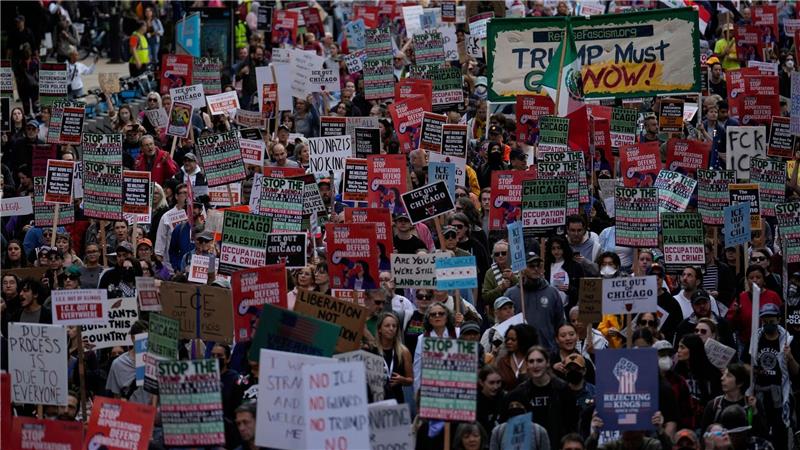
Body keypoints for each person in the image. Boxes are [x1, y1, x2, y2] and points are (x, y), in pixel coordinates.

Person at [509, 346, 578, 447]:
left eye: (539, 360)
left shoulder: (563, 389)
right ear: (527, 365)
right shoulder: (519, 393)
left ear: (547, 363)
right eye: (531, 361)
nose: (535, 365)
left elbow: (571, 424)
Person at [504, 252, 564, 351]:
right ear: (522, 269)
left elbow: (560, 322)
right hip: (521, 352)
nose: (536, 269)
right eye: (531, 266)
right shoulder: (511, 294)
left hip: (547, 351)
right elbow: (505, 323)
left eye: (538, 266)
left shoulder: (552, 293)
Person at [702, 363, 767, 437]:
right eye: (723, 375)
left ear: (740, 383)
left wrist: (754, 411)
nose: (722, 378)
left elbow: (762, 433)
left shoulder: (752, 403)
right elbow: (704, 435)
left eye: (728, 376)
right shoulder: (714, 405)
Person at [726, 266, 782, 349]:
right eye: (751, 278)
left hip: (770, 342)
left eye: (758, 277)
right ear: (747, 280)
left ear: (763, 279)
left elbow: (781, 317)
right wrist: (735, 312)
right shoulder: (741, 297)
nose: (755, 280)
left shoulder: (773, 296)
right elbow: (730, 322)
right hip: (745, 343)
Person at [106, 320, 151, 403]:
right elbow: (116, 397)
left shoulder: (156, 362)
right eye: (143, 338)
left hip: (153, 413)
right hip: (130, 413)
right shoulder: (118, 364)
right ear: (133, 338)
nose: (147, 342)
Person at [376, 312, 412, 403]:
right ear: (379, 329)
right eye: (387, 326)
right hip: (377, 401)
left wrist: (402, 380)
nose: (391, 328)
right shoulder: (372, 350)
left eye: (394, 326)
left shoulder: (404, 352)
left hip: (397, 400)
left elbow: (410, 380)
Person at [495, 323, 539, 391]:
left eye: (513, 340)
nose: (509, 342)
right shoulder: (502, 362)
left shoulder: (536, 360)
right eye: (507, 339)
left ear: (524, 340)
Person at [476, 365, 505, 434]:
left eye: (498, 382)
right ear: (481, 382)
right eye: (491, 383)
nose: (495, 387)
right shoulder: (475, 403)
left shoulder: (504, 398)